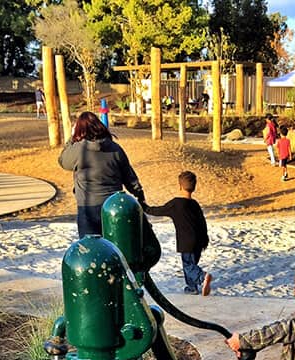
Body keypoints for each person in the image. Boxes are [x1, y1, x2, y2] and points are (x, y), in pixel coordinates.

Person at [58, 111, 145, 239]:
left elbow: (63, 161)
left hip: (88, 206)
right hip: (113, 205)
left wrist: (71, 139)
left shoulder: (78, 150)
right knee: (114, 245)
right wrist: (139, 194)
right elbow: (129, 176)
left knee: (92, 248)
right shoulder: (115, 149)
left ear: (80, 130)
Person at [143, 170, 211, 296]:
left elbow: (157, 211)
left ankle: (202, 276)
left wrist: (144, 207)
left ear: (180, 186)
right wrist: (205, 239)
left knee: (188, 266)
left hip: (186, 242)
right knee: (192, 264)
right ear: (194, 188)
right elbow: (202, 222)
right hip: (199, 240)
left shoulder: (176, 204)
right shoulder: (195, 204)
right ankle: (192, 288)